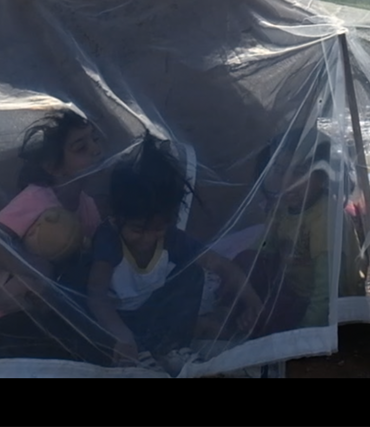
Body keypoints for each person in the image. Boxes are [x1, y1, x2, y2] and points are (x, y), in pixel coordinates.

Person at [87, 134, 262, 367]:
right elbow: (97, 297)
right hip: (117, 320)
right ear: (116, 218)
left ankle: (171, 348)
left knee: (192, 274)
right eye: (138, 230)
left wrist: (253, 301)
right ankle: (142, 351)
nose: (148, 238)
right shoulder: (109, 240)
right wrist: (123, 337)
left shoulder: (171, 238)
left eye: (157, 229)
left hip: (155, 318)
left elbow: (220, 264)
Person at [0, 109, 104, 358]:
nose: (95, 150)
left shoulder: (86, 206)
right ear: (54, 167)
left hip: (26, 311)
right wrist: (33, 269)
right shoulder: (37, 198)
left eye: (95, 139)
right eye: (81, 148)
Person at [247, 128, 366, 335]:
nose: (287, 182)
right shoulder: (283, 207)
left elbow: (327, 291)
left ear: (323, 178)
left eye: (299, 173)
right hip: (292, 292)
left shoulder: (324, 216)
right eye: (280, 171)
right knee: (246, 262)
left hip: (323, 304)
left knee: (268, 327)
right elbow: (263, 249)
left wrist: (305, 334)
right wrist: (247, 291)